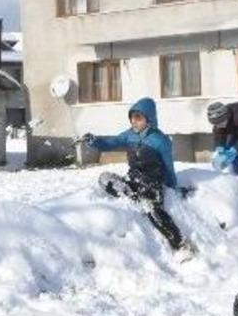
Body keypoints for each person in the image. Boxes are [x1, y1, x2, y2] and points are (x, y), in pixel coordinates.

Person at [80, 97, 189, 252]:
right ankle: (134, 197)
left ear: (149, 118)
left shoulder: (160, 140)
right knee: (105, 178)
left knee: (154, 211)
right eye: (132, 118)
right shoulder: (129, 135)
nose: (134, 122)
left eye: (138, 118)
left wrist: (172, 186)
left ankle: (180, 244)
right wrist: (94, 141)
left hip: (152, 183)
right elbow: (112, 142)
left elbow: (168, 166)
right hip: (134, 179)